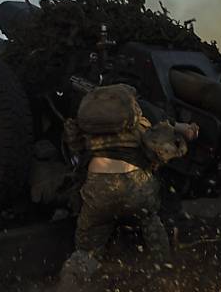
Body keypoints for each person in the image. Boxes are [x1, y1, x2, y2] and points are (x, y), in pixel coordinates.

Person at [58, 83, 199, 290]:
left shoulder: (88, 127)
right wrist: (185, 134)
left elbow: (75, 148)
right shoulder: (142, 122)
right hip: (137, 190)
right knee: (151, 221)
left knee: (86, 250)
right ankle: (164, 273)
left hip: (98, 192)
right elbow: (168, 146)